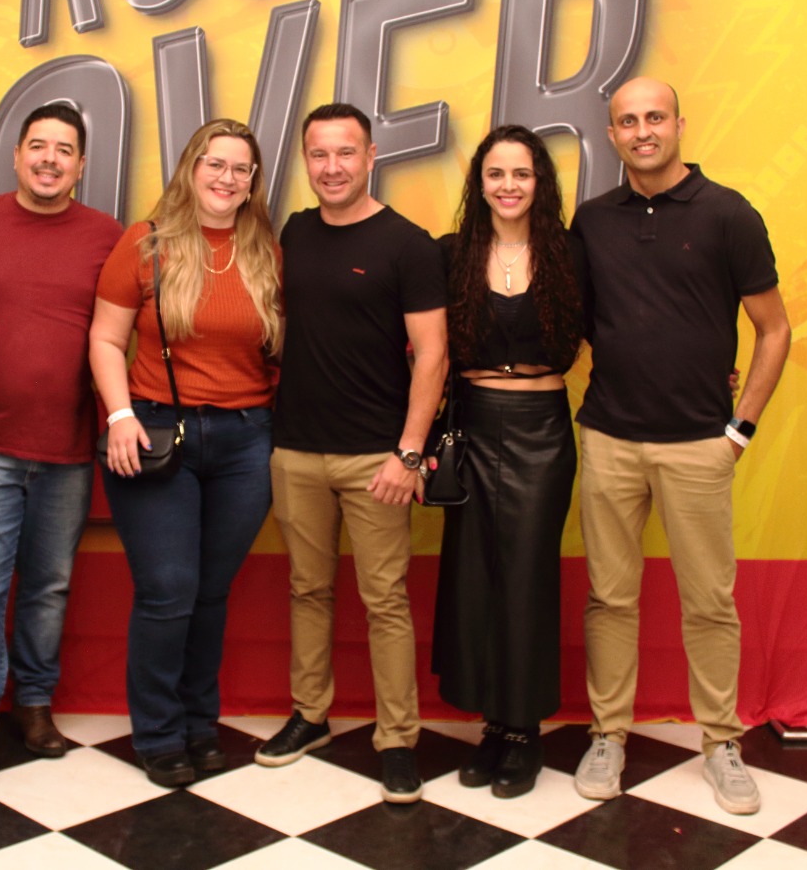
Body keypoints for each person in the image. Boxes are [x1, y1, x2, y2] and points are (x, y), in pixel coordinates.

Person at [569, 77, 791, 815]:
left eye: (654, 117)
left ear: (679, 125)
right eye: (628, 121)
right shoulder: (592, 221)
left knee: (709, 602)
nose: (643, 131)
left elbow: (774, 329)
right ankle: (608, 733)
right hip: (609, 438)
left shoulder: (729, 213)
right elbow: (580, 321)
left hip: (700, 444)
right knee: (609, 597)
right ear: (612, 135)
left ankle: (721, 743)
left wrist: (739, 430)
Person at [256, 103, 447, 804]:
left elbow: (433, 355)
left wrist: (409, 453)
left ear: (371, 157)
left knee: (384, 600)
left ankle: (397, 740)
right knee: (307, 590)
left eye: (345, 153)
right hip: (296, 450)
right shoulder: (295, 232)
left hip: (377, 460)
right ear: (306, 160)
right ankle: (310, 715)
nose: (332, 167)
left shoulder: (409, 245)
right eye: (319, 154)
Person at [89, 118, 282, 788]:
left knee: (210, 592)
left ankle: (201, 723)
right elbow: (105, 338)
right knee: (168, 590)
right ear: (190, 169)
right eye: (214, 164)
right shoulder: (146, 244)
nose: (226, 178)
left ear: (253, 182)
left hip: (246, 441)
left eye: (240, 168)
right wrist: (119, 414)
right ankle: (159, 732)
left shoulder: (267, 252)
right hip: (154, 434)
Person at [0, 104, 123, 786]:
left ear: (81, 165)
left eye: (64, 150)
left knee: (48, 586)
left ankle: (35, 705)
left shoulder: (105, 235)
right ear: (16, 156)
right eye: (38, 146)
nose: (50, 159)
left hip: (67, 449)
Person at [432, 126, 583, 799]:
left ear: (539, 182)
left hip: (542, 432)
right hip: (472, 427)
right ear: (480, 183)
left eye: (521, 173)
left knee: (526, 578)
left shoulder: (571, 256)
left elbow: (628, 328)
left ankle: (524, 732)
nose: (509, 186)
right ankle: (492, 726)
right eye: (496, 174)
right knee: (475, 581)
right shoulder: (452, 254)